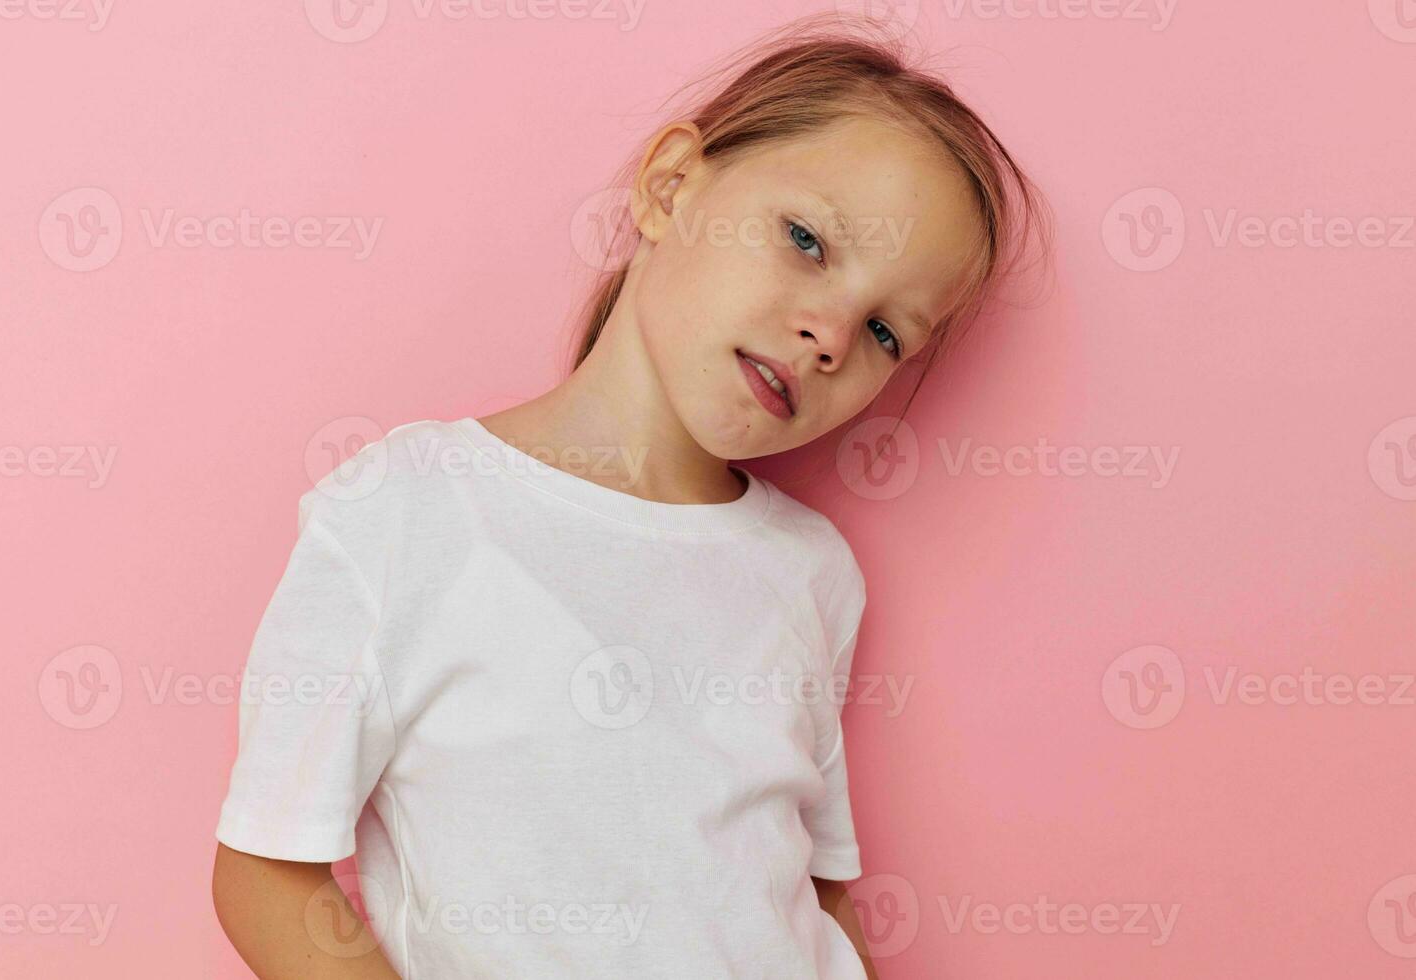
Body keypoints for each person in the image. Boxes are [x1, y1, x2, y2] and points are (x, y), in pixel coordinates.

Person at [210, 12, 1050, 978]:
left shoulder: (814, 575)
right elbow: (265, 872)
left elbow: (814, 892)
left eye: (886, 334)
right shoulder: (408, 512)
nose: (830, 335)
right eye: (808, 241)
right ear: (671, 186)